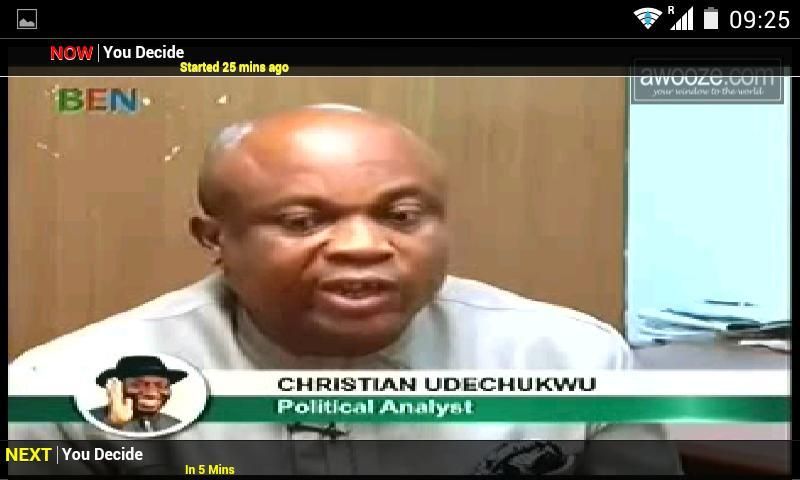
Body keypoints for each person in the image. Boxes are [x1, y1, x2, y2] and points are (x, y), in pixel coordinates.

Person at [8, 104, 682, 474]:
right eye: (303, 221)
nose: (363, 246)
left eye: (402, 216)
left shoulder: (573, 359)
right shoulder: (65, 393)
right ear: (215, 240)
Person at [89, 355, 186, 433]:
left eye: (161, 385)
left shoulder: (176, 426)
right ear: (116, 388)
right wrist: (113, 425)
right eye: (137, 385)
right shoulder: (89, 420)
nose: (152, 393)